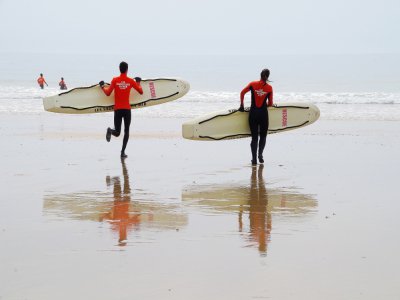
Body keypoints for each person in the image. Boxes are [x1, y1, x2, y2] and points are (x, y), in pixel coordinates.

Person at [99, 61, 143, 158]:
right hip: (127, 110)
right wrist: (138, 82)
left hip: (118, 110)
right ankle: (122, 152)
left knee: (117, 133)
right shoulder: (131, 81)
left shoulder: (115, 80)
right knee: (126, 131)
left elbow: (107, 93)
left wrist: (102, 86)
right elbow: (140, 91)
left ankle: (110, 130)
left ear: (119, 69)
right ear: (127, 69)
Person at [239, 69, 273, 165]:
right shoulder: (269, 88)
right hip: (263, 115)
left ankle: (254, 160)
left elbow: (242, 93)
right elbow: (270, 103)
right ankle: (260, 156)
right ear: (268, 76)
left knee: (254, 138)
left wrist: (241, 105)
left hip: (253, 114)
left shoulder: (252, 84)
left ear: (260, 75)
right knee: (263, 136)